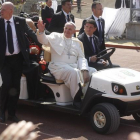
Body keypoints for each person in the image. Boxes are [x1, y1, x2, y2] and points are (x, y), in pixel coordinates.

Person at [37, 21, 96, 108]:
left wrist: (84, 70)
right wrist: (41, 32)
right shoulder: (55, 36)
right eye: (66, 28)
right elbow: (43, 40)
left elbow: (81, 58)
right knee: (74, 72)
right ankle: (77, 99)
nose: (67, 31)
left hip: (73, 66)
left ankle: (89, 97)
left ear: (74, 31)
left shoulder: (77, 42)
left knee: (93, 71)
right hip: (57, 67)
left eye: (70, 29)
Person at [0, 2, 39, 123]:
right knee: (6, 84)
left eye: (2, 10)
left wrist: (42, 39)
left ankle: (12, 114)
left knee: (15, 87)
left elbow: (31, 33)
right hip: (4, 60)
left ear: (10, 11)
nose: (0, 11)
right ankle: (1, 112)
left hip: (17, 59)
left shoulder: (20, 21)